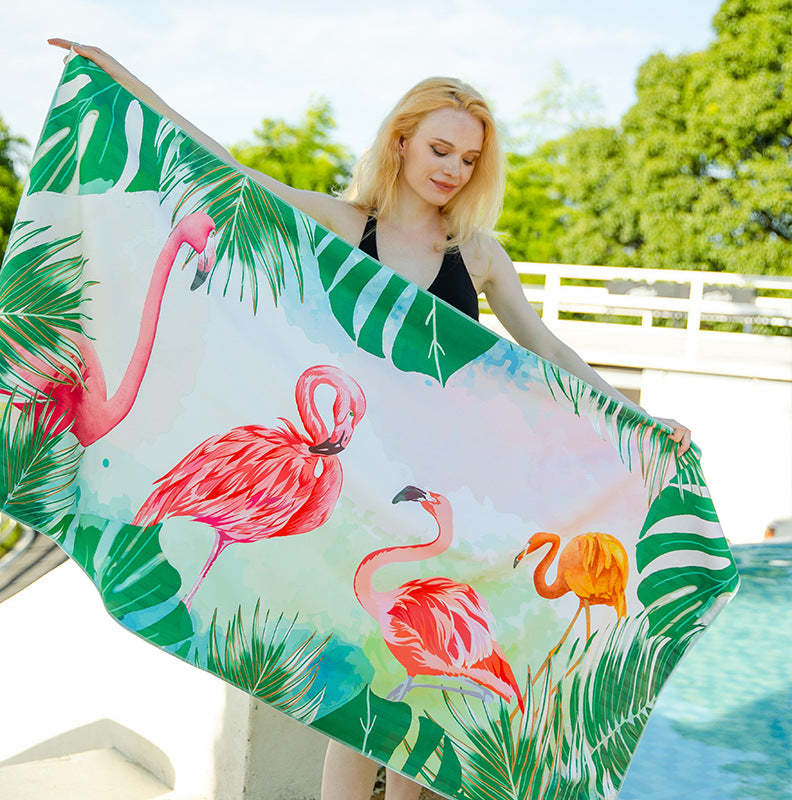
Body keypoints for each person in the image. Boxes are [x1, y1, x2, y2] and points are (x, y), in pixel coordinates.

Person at [47, 40, 693, 800]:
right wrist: (118, 78)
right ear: (402, 141)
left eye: (468, 159)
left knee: (425, 711)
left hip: (441, 489)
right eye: (440, 149)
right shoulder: (347, 224)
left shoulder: (477, 254)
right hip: (354, 496)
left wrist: (637, 417)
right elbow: (228, 172)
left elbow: (545, 348)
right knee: (359, 713)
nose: (452, 170)